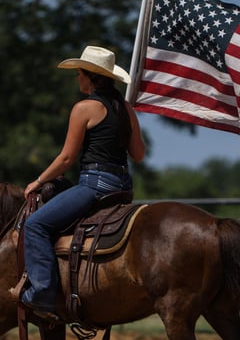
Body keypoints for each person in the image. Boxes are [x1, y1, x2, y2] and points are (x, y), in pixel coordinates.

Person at [18, 45, 145, 321]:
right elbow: (139, 154)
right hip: (123, 189)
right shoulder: (127, 110)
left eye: (79, 74)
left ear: (91, 76)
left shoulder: (84, 108)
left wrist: (37, 181)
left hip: (94, 186)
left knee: (35, 225)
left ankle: (41, 293)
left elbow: (66, 159)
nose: (77, 79)